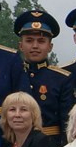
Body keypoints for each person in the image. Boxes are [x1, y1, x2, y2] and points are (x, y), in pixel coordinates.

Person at [11, 8, 70, 137]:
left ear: (50, 47)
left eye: (41, 41)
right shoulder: (13, 73)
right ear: (20, 45)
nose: (35, 46)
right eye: (29, 40)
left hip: (51, 145)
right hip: (17, 142)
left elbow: (67, 123)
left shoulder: (62, 79)